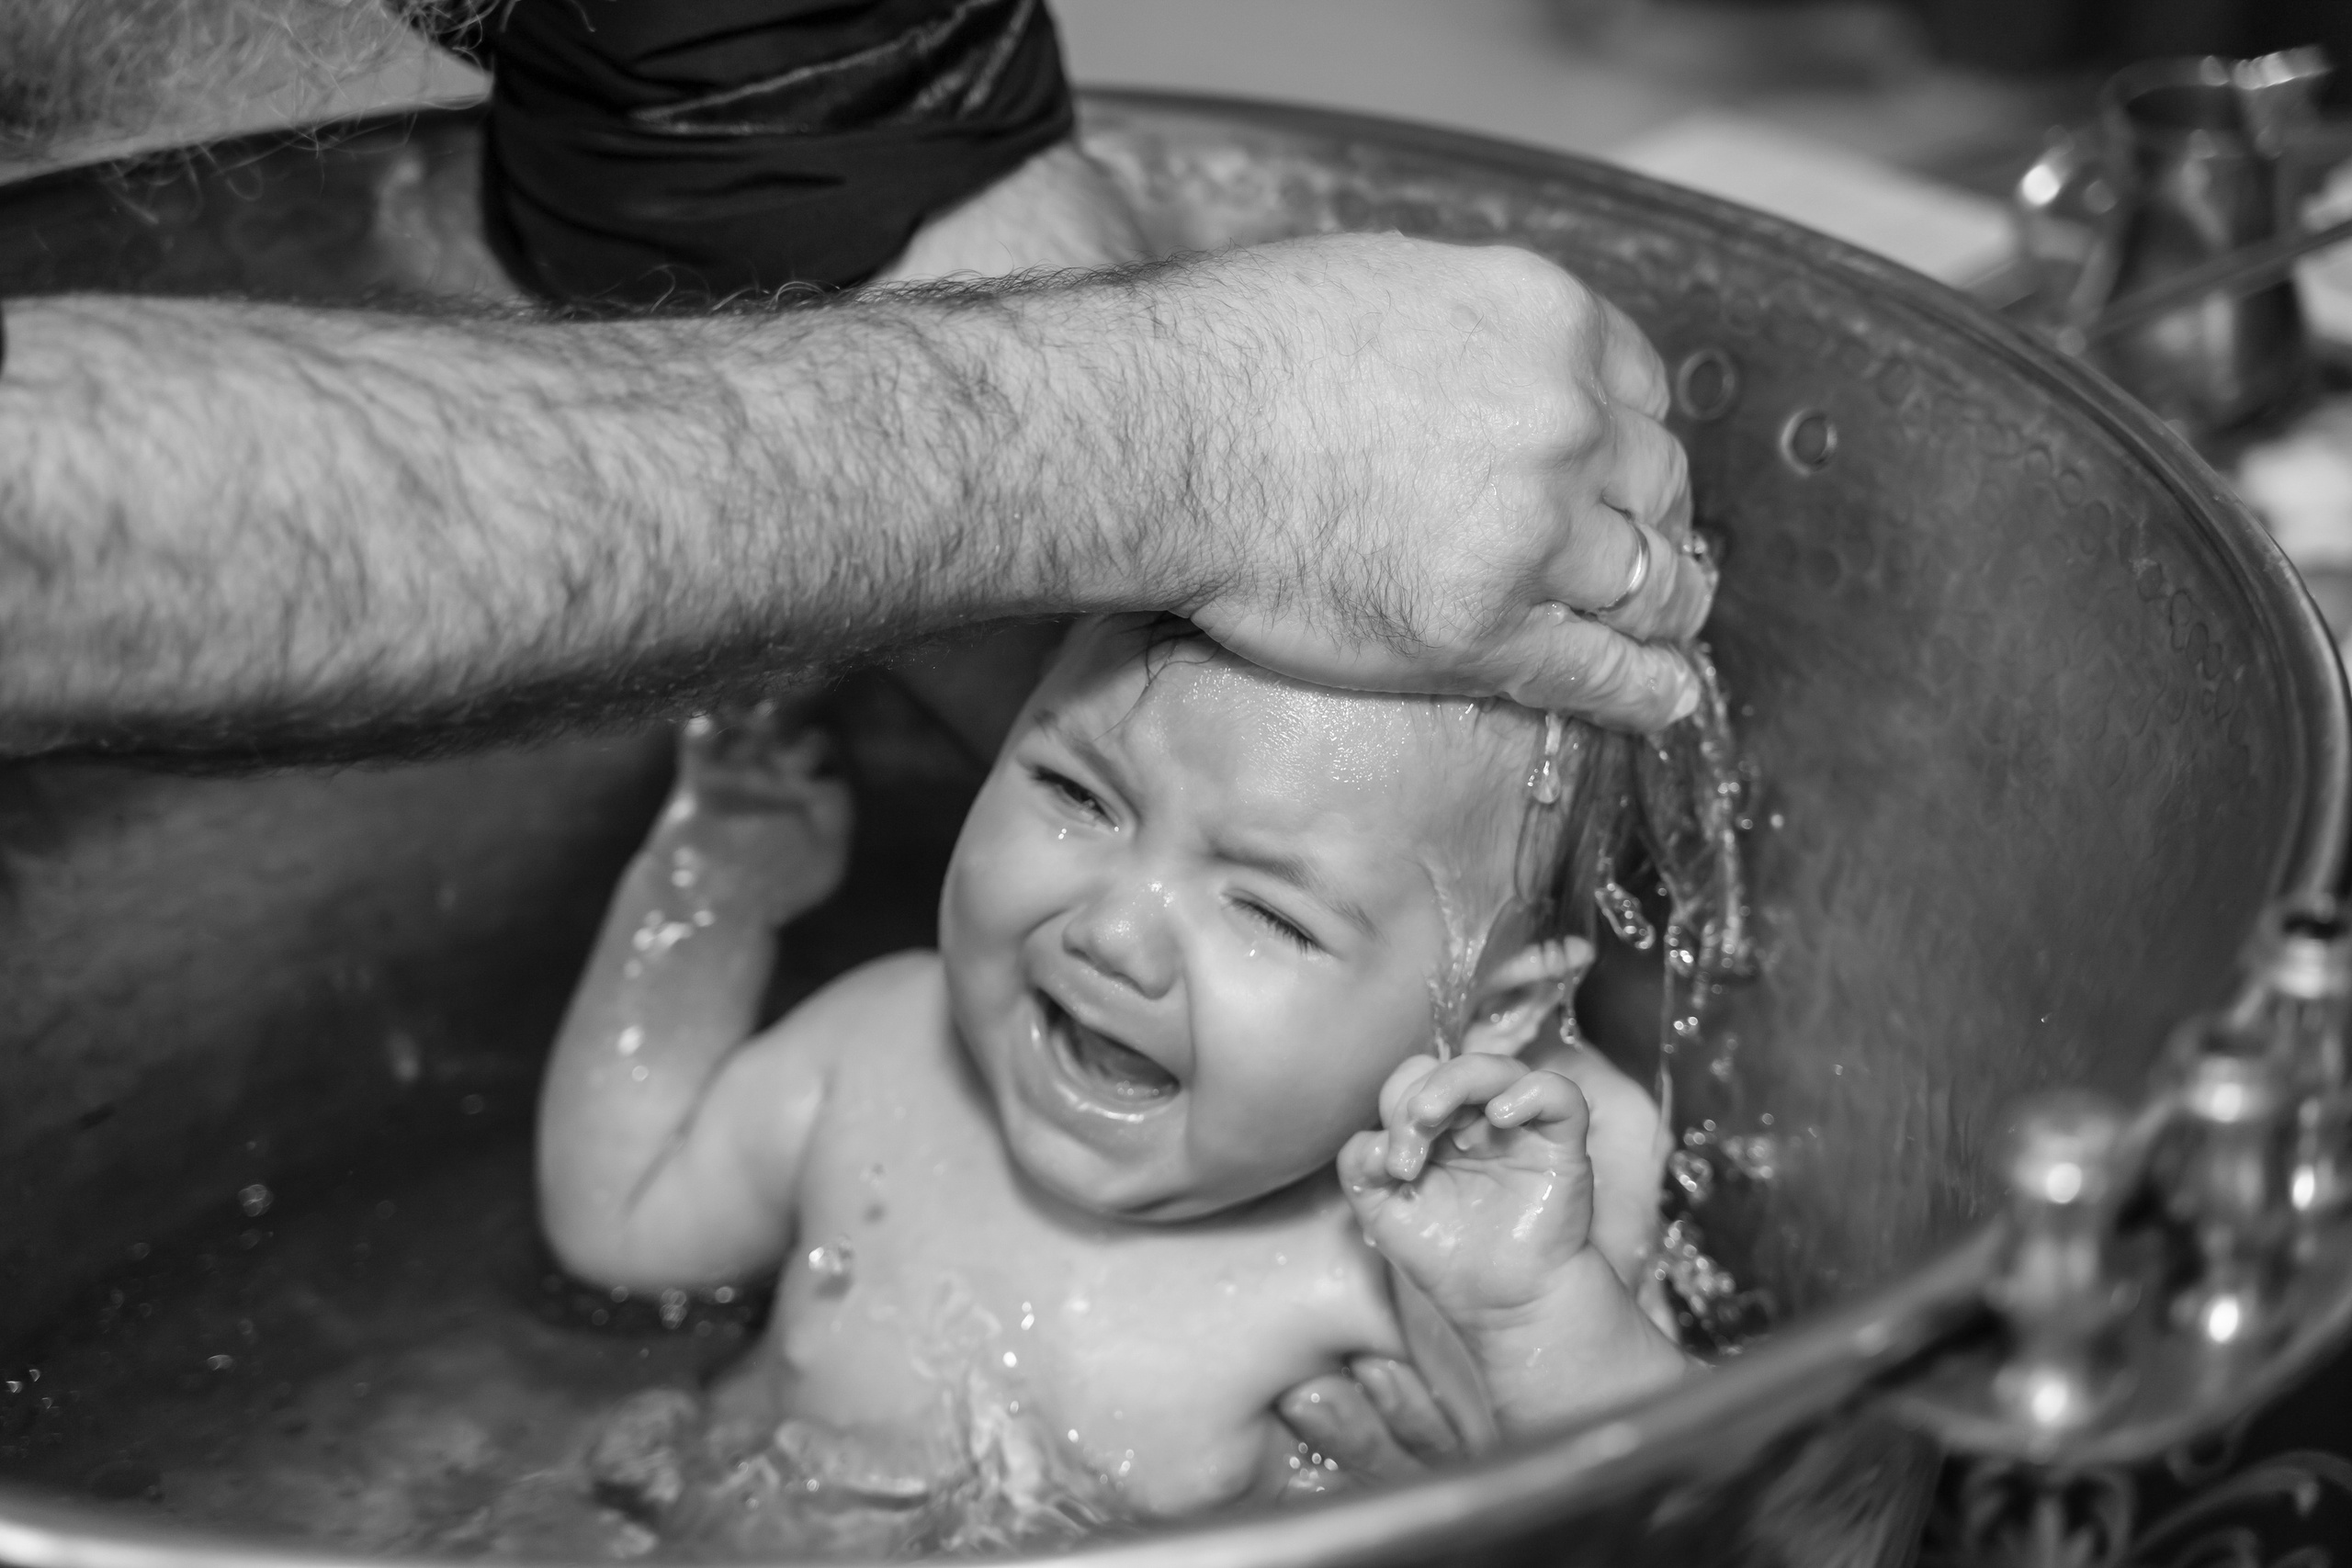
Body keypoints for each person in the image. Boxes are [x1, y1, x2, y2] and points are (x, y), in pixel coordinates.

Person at [534, 613, 1698, 1553]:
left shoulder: (1415, 1249)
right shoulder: (880, 1050)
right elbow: (620, 1224)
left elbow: (1672, 1504)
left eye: (1268, 912)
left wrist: (1531, 1309)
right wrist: (704, 896)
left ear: (1487, 1014)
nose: (1116, 933)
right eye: (1077, 796)